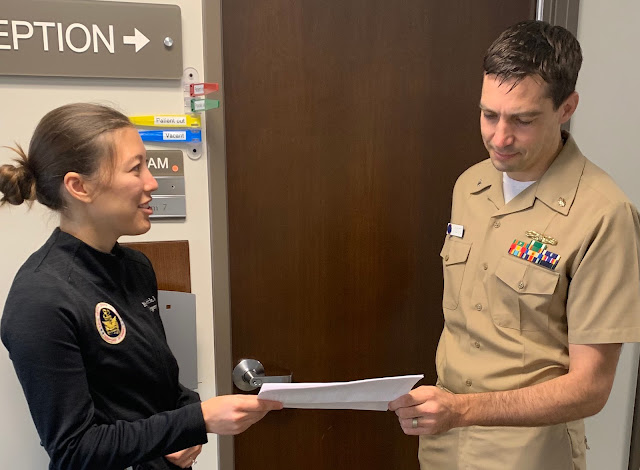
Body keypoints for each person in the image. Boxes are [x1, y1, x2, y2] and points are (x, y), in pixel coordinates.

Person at [389, 20, 640, 469]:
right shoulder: (470, 185)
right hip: (445, 443)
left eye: (523, 120)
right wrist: (452, 415)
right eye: (489, 114)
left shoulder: (604, 215)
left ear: (567, 108)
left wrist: (466, 411)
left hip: (528, 454)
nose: (499, 138)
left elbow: (591, 387)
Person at [0, 103, 282, 470]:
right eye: (136, 169)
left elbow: (151, 380)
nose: (152, 182)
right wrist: (196, 420)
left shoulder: (135, 267)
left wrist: (187, 413)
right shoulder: (40, 300)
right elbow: (73, 451)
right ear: (78, 186)